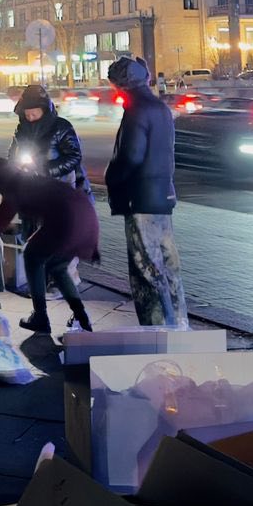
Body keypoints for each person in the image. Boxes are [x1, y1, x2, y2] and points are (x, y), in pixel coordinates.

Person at [0, 158, 99, 334]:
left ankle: (40, 316)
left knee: (31, 255)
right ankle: (82, 317)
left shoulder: (13, 190)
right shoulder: (26, 180)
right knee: (57, 267)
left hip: (68, 221)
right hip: (86, 218)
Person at [104, 55, 188, 328]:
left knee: (146, 268)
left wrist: (112, 177)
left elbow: (131, 156)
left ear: (123, 84)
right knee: (167, 265)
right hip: (163, 194)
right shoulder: (160, 108)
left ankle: (158, 330)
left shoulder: (137, 109)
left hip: (140, 197)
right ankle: (178, 324)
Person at [8, 83, 91, 197]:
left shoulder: (61, 127)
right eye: (27, 115)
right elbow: (13, 153)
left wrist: (46, 170)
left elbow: (74, 157)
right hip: (31, 189)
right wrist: (14, 167)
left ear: (44, 111)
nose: (30, 118)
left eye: (34, 114)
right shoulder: (22, 130)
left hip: (61, 189)